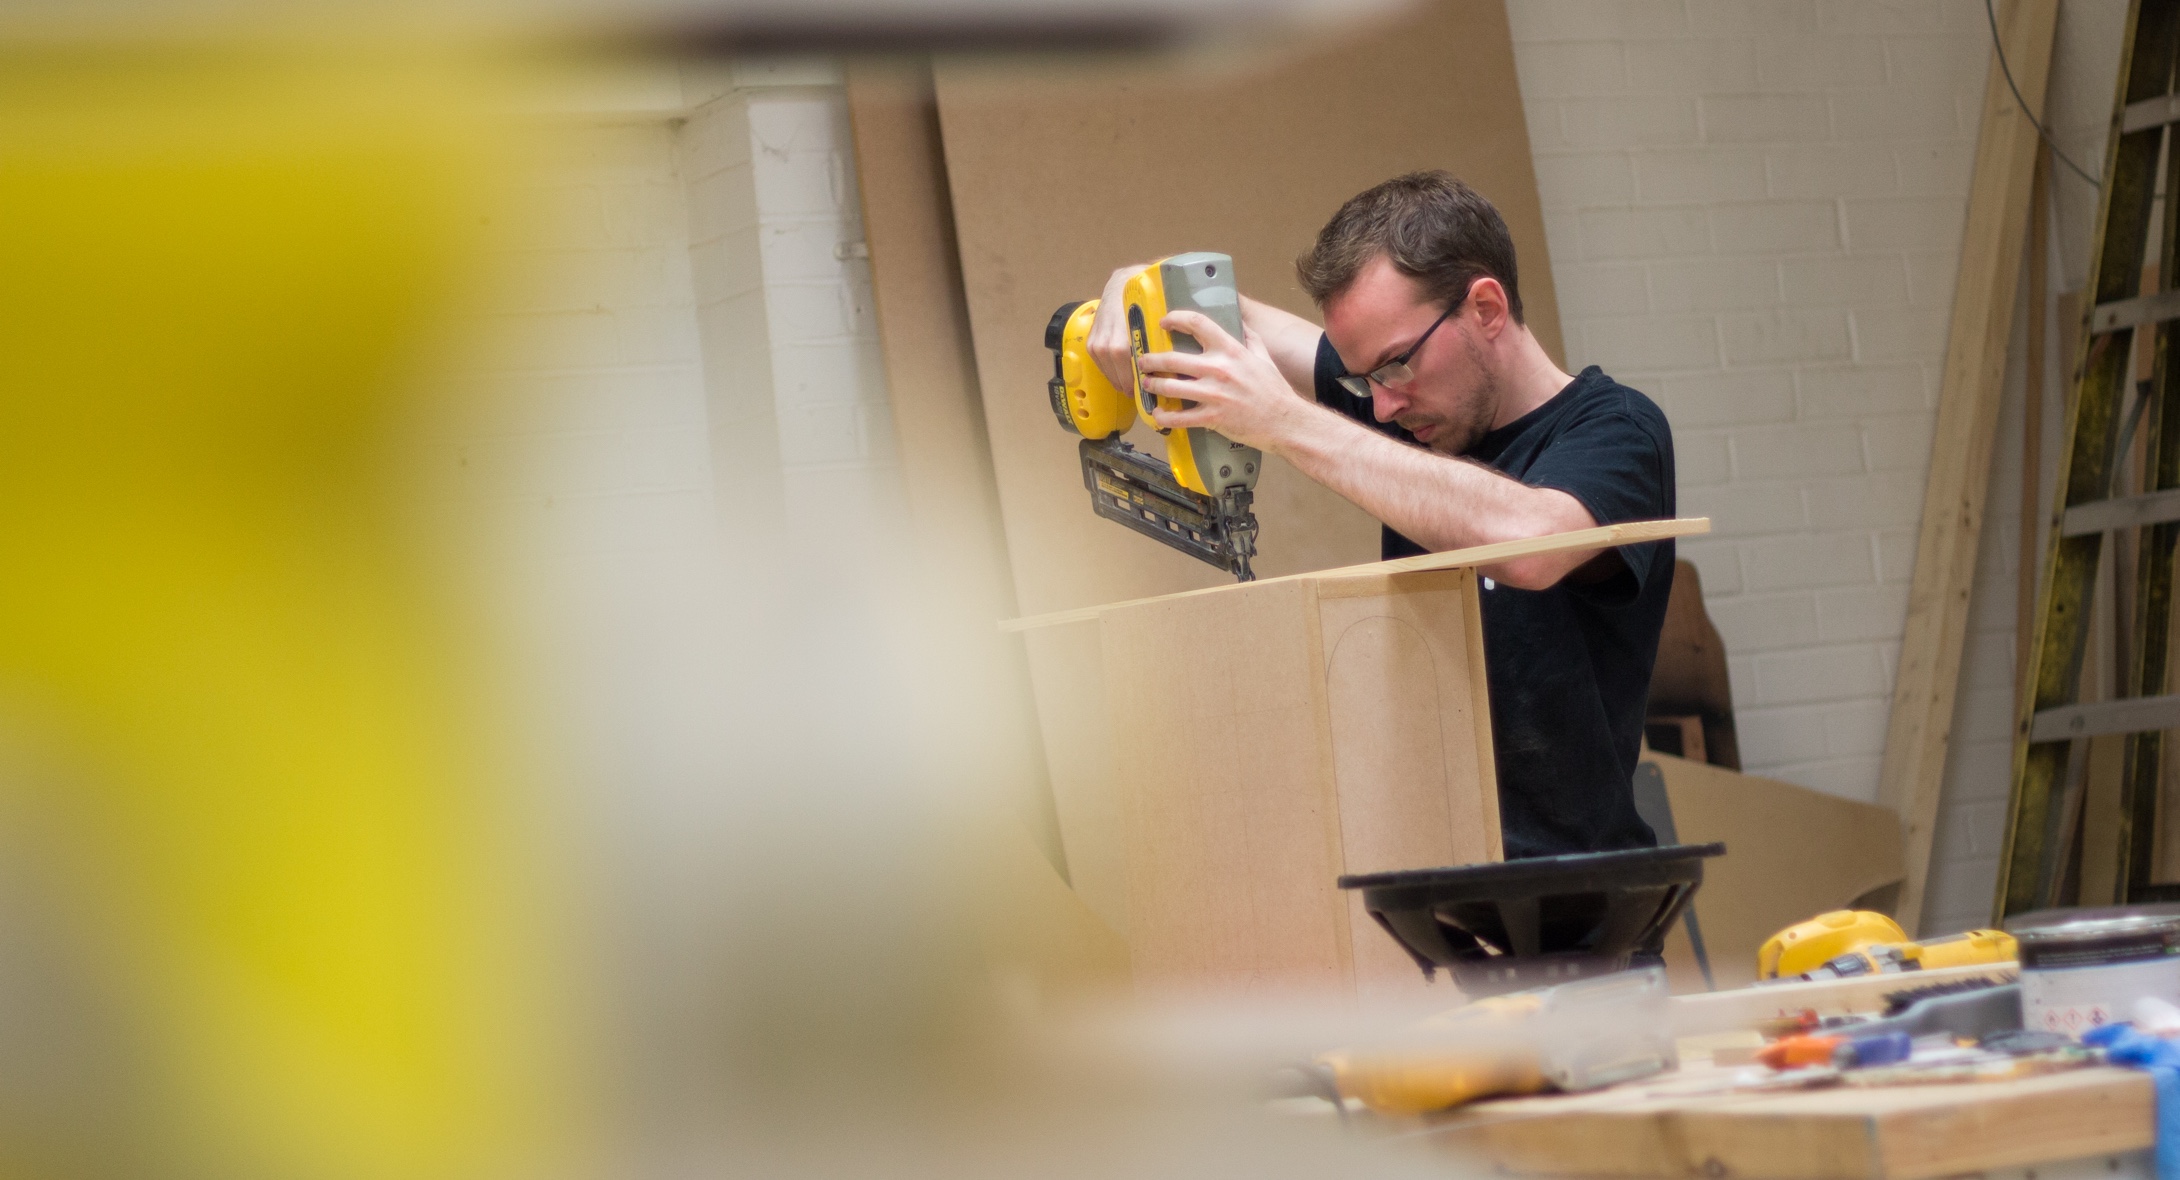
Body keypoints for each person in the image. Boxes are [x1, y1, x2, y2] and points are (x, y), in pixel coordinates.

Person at [1088, 171, 1674, 860]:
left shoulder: (1616, 432)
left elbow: (1528, 544)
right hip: (1433, 895)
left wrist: (1284, 422)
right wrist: (1137, 285)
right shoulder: (1403, 402)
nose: (1384, 404)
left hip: (1577, 915)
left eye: (1395, 366)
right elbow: (1227, 314)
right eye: (1365, 377)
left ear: (1486, 307)